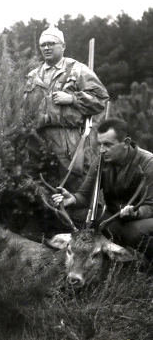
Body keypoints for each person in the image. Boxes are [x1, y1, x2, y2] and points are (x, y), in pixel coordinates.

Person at [52, 118, 153, 260]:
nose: (101, 150)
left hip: (143, 220)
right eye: (100, 144)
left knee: (133, 233)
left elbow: (151, 207)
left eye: (107, 145)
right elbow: (84, 195)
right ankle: (102, 258)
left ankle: (146, 268)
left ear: (126, 143)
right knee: (76, 214)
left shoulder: (149, 163)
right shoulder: (101, 161)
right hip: (115, 218)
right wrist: (73, 199)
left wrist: (136, 212)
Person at [25, 25, 109, 191]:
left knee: (74, 186)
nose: (47, 48)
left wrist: (73, 98)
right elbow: (23, 108)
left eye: (51, 43)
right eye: (43, 45)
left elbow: (101, 99)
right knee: (40, 188)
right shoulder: (33, 76)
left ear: (62, 46)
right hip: (38, 139)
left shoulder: (77, 70)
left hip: (68, 139)